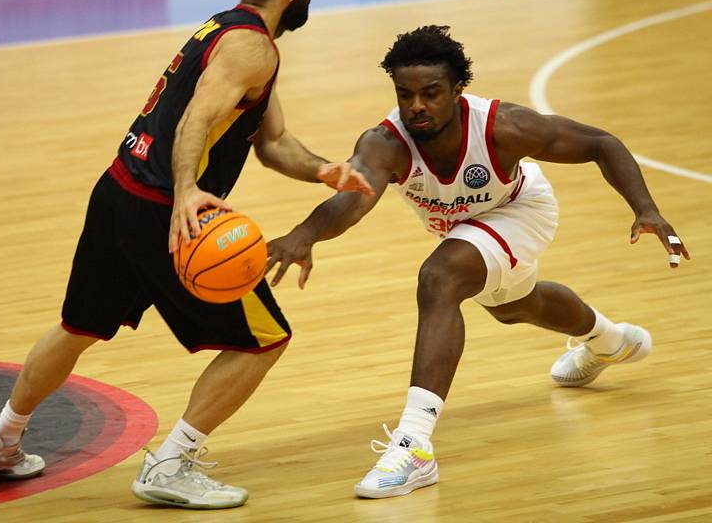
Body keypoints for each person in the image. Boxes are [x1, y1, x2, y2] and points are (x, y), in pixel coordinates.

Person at [0, 0, 373, 510]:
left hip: (118, 189)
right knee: (265, 340)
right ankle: (171, 464)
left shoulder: (228, 29)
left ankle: (0, 439)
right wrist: (185, 192)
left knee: (78, 326)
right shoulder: (250, 48)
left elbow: (272, 141)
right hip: (162, 209)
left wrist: (325, 170)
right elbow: (196, 120)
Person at [266, 25, 690, 499]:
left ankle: (414, 445)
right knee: (516, 307)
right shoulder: (384, 143)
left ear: (457, 90)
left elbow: (600, 143)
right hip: (464, 228)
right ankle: (609, 341)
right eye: (405, 95)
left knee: (439, 278)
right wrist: (305, 235)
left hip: (520, 210)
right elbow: (353, 200)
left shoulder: (505, 126)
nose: (416, 106)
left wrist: (646, 209)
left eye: (430, 94)